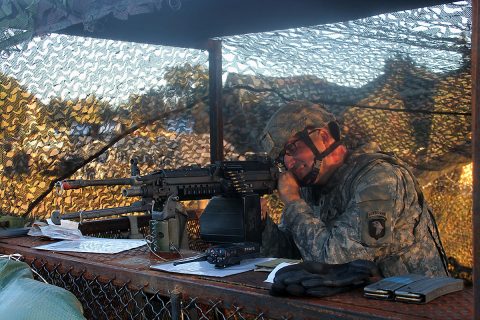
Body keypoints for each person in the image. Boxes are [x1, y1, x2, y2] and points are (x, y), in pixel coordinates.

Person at [259, 100, 449, 277]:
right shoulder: (309, 189)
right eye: (281, 157)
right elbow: (289, 254)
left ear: (323, 137)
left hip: (415, 306)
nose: (288, 162)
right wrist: (259, 219)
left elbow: (336, 263)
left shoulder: (380, 179)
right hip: (360, 304)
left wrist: (293, 202)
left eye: (292, 148)